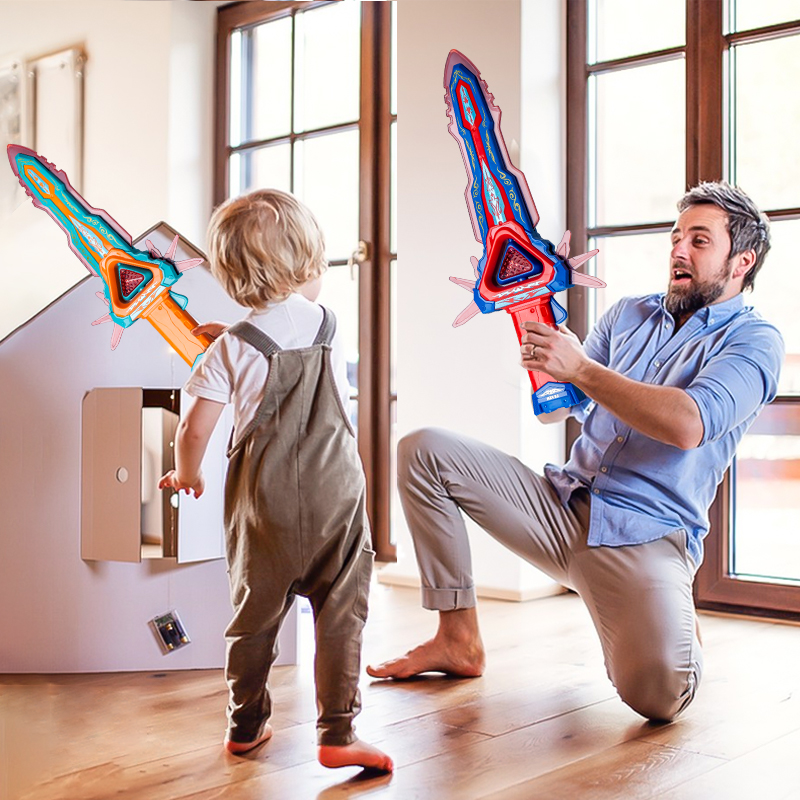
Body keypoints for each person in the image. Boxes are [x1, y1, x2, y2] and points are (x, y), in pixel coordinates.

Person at [367, 181, 784, 722]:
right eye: (677, 236)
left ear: (742, 262)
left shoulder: (755, 341)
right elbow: (558, 406)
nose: (679, 250)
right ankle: (457, 639)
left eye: (700, 240)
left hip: (643, 533)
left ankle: (663, 609)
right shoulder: (629, 313)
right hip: (561, 505)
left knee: (660, 698)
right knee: (423, 450)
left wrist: (582, 367)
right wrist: (538, 335)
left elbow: (688, 424)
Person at [158, 189, 392, 772]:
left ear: (231, 274)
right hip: (337, 493)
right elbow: (292, 316)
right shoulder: (328, 324)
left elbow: (193, 431)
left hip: (264, 506)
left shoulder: (228, 349)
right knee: (342, 611)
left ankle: (246, 725)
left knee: (254, 616)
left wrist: (186, 475)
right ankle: (338, 732)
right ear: (306, 262)